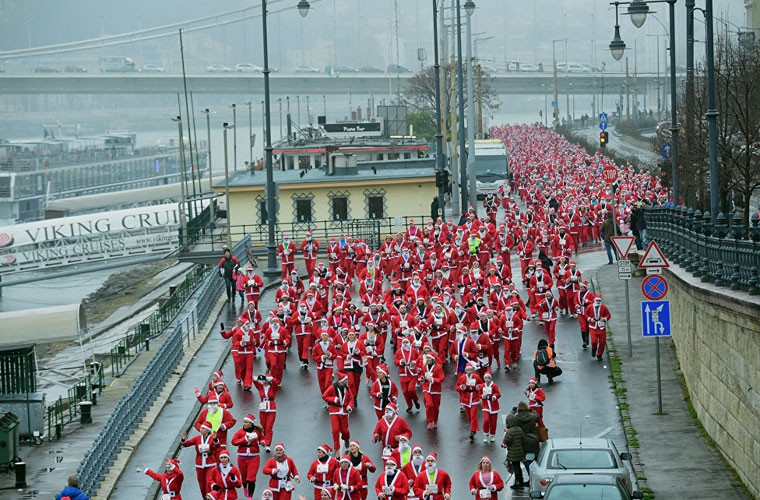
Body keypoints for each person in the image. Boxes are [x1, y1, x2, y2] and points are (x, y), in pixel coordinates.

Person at [181, 422, 220, 499]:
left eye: (203, 428)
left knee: (208, 482)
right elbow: (186, 444)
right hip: (200, 463)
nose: (201, 430)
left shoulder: (212, 438)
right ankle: (204, 497)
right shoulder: (197, 438)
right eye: (201, 428)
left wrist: (215, 439)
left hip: (210, 463)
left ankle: (210, 497)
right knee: (201, 484)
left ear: (208, 430)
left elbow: (217, 446)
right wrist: (183, 439)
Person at [231, 414, 266, 499]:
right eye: (244, 422)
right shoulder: (240, 432)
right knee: (244, 477)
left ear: (251, 423)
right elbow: (234, 442)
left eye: (246, 422)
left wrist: (262, 442)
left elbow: (262, 438)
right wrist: (245, 439)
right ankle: (245, 487)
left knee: (251, 477)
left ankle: (250, 496)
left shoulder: (256, 432)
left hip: (254, 457)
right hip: (242, 457)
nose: (244, 424)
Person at [506, 402, 540, 487]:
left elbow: (509, 419)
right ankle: (532, 480)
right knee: (533, 461)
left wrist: (512, 411)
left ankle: (519, 481)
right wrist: (532, 411)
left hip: (522, 441)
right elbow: (537, 416)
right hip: (533, 441)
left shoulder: (516, 418)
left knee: (519, 462)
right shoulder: (532, 416)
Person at [322, 372, 356, 454]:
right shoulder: (332, 387)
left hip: (343, 412)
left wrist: (349, 406)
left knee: (345, 431)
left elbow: (351, 399)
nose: (347, 381)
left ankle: (346, 439)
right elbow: (324, 396)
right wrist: (333, 399)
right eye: (346, 380)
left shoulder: (347, 389)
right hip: (334, 411)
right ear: (342, 381)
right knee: (335, 430)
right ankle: (336, 447)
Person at [502, 416, 527, 490]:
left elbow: (507, 441)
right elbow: (523, 439)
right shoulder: (520, 429)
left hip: (513, 453)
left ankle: (518, 483)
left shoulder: (510, 431)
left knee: (516, 468)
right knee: (518, 467)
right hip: (520, 452)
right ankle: (521, 482)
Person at [585, 294, 612, 361]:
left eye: (599, 300)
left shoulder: (604, 307)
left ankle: (599, 355)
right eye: (597, 300)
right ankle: (594, 349)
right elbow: (586, 314)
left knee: (602, 342)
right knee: (594, 341)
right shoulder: (590, 307)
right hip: (593, 326)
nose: (598, 302)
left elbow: (608, 315)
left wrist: (604, 319)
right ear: (594, 300)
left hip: (601, 326)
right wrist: (590, 319)